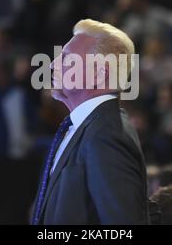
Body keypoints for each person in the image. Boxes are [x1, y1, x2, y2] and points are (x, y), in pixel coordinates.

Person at [31, 19, 148, 225]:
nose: (52, 64)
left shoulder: (106, 133)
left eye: (66, 58)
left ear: (99, 73)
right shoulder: (89, 127)